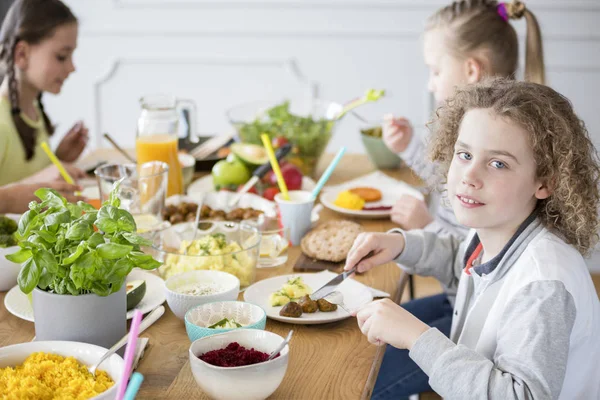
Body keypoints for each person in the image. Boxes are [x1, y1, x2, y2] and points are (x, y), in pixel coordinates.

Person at [345, 78, 600, 399]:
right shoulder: (499, 229)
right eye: (464, 155)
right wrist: (402, 244)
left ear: (544, 182)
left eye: (498, 163)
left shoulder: (543, 288)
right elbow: (462, 260)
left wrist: (417, 338)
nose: (469, 175)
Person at [385, 0, 544, 236]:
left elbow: (479, 259)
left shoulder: (499, 140)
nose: (431, 84)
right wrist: (408, 147)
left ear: (471, 70)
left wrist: (427, 225)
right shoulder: (475, 126)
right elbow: (447, 177)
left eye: (436, 71)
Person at [0, 0, 87, 188]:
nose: (72, 67)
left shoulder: (33, 107)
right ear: (21, 54)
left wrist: (59, 158)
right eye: (61, 57)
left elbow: (21, 176)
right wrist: (36, 183)